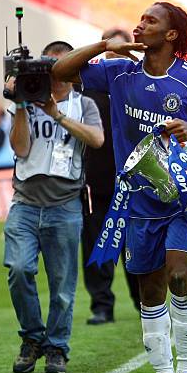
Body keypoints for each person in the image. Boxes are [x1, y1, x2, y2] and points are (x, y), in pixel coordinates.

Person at [51, 2, 187, 373]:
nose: (141, 25)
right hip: (137, 203)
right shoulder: (117, 71)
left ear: (172, 35)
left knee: (178, 276)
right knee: (150, 292)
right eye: (140, 20)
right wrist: (104, 45)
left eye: (150, 21)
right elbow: (60, 72)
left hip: (183, 201)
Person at [3, 41, 104, 373]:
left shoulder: (83, 104)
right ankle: (32, 338)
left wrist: (56, 114)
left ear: (74, 70)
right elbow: (20, 147)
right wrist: (20, 105)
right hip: (26, 203)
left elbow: (96, 139)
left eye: (62, 66)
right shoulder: (26, 102)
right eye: (49, 66)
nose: (55, 72)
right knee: (18, 269)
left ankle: (57, 348)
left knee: (62, 287)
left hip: (65, 204)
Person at [81, 28, 141, 325]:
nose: (115, 54)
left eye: (121, 48)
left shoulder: (137, 86)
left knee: (135, 246)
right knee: (96, 246)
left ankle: (144, 303)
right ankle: (101, 305)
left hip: (132, 183)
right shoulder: (87, 88)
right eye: (111, 49)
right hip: (96, 183)